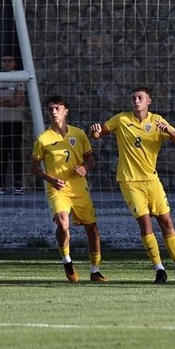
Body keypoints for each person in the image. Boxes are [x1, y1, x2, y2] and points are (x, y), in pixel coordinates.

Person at [92, 87, 175, 284]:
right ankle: (159, 269)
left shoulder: (157, 121)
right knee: (145, 223)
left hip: (152, 181)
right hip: (129, 181)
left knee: (166, 222)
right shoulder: (122, 119)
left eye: (140, 97)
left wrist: (168, 131)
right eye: (133, 97)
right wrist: (96, 132)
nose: (136, 100)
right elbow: (100, 133)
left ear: (149, 101)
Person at [31, 95, 107, 283]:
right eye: (50, 109)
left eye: (57, 108)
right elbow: (33, 168)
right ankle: (67, 261)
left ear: (66, 111)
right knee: (63, 224)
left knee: (92, 229)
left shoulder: (78, 134)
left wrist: (85, 168)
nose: (54, 112)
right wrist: (51, 179)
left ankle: (95, 270)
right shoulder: (43, 139)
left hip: (80, 189)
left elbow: (90, 160)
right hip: (58, 190)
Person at [0, 53, 26, 195]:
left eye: (10, 60)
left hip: (15, 122)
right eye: (4, 61)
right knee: (1, 154)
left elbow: (18, 101)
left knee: (15, 153)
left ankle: (18, 184)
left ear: (14, 63)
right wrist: (7, 99)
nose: (7, 63)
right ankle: (0, 185)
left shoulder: (19, 78)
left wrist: (1, 99)